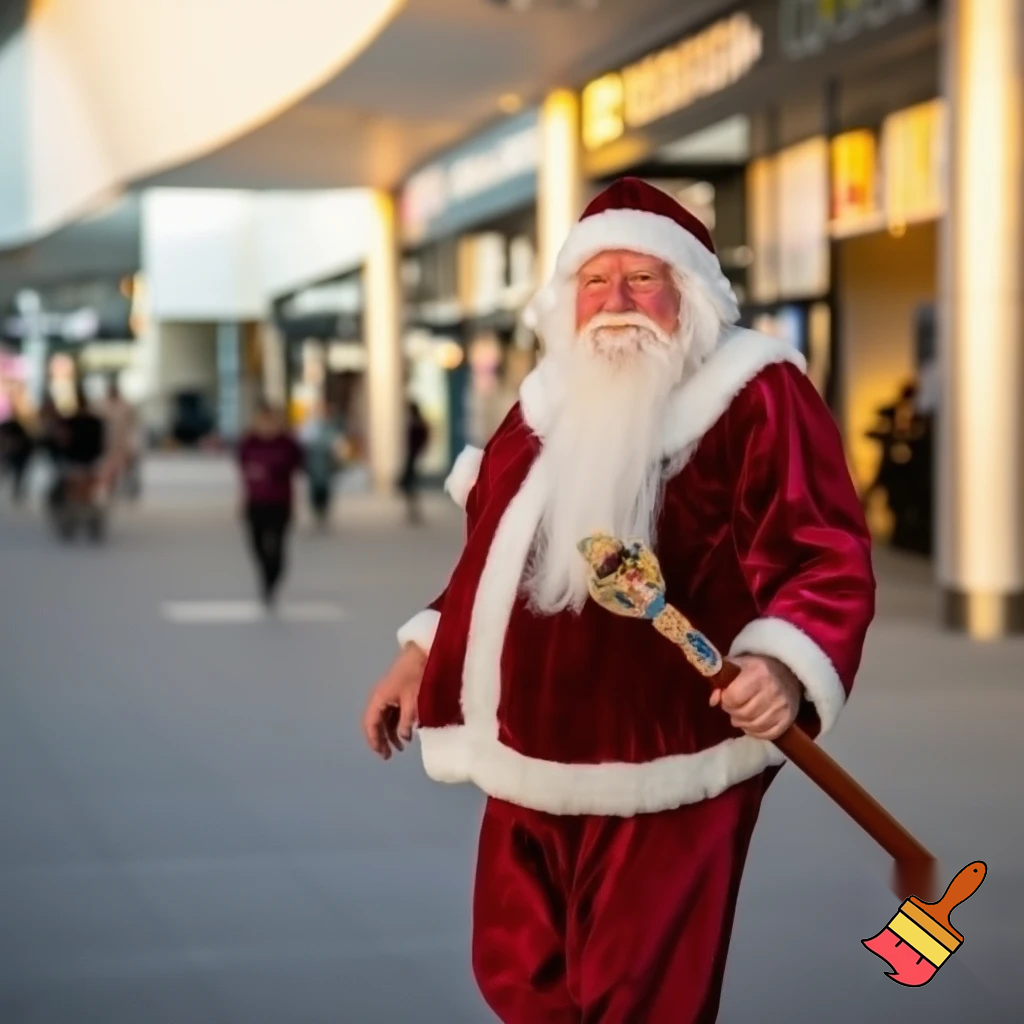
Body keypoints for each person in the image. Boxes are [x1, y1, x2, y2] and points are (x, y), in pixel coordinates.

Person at [362, 178, 876, 1023]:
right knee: (520, 979)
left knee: (640, 997)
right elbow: (488, 556)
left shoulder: (756, 392)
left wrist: (785, 663)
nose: (616, 302)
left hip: (671, 755)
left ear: (691, 294)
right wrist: (421, 652)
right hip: (527, 751)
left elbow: (824, 553)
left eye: (643, 279)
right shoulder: (539, 408)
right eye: (596, 282)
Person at [237, 401, 303, 608]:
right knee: (256, 544)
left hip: (279, 502)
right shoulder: (249, 442)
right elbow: (243, 472)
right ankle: (265, 575)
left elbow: (297, 467)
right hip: (255, 502)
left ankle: (271, 581)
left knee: (277, 546)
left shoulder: (287, 444)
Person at [299, 400, 346, 529]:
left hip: (326, 462)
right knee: (314, 488)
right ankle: (317, 511)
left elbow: (337, 443)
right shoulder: (310, 425)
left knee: (325, 488)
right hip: (314, 461)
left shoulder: (331, 426)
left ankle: (323, 511)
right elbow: (304, 441)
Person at [97, 376, 141, 500]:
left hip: (123, 443)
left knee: (126, 469)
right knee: (109, 469)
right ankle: (111, 489)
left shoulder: (126, 405)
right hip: (107, 444)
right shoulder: (102, 404)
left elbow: (133, 425)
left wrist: (132, 442)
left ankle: (130, 488)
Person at [398, 399, 429, 524]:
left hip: (413, 456)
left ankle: (414, 511)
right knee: (410, 484)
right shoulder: (417, 423)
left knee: (410, 484)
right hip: (412, 456)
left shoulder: (417, 424)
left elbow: (422, 440)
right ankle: (413, 511)